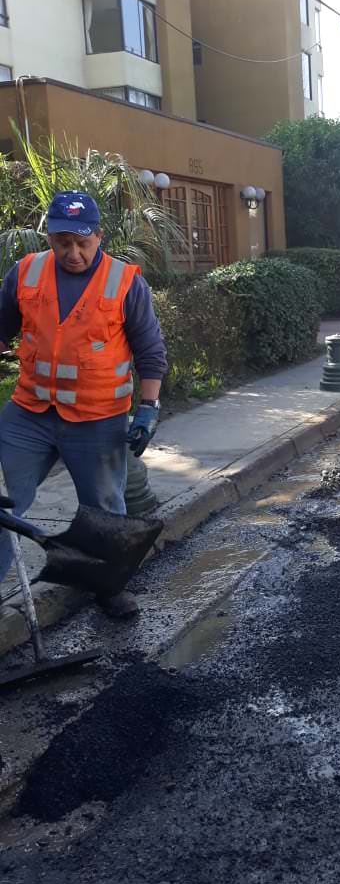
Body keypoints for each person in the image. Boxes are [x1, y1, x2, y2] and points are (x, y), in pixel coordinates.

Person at [0, 191, 168, 617]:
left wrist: (148, 408)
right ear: (50, 237)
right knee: (4, 501)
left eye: (82, 242)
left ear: (99, 236)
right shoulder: (25, 273)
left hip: (96, 420)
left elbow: (150, 350)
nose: (72, 253)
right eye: (62, 242)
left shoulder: (125, 282)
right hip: (30, 412)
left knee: (104, 510)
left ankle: (108, 588)